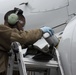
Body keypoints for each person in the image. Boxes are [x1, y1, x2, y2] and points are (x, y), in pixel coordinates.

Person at [0, 7, 54, 75]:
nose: (22, 29)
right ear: (12, 21)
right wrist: (40, 31)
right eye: (22, 26)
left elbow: (23, 43)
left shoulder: (7, 40)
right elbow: (22, 38)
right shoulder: (1, 30)